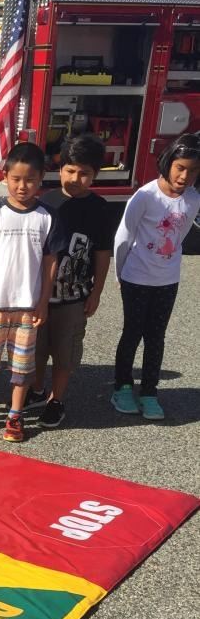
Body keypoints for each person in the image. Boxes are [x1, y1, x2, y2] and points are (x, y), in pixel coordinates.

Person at [0, 142, 63, 443]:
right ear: (4, 176)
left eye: (30, 179)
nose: (22, 186)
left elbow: (50, 263)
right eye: (16, 178)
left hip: (27, 308)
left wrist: (43, 302)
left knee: (22, 368)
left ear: (41, 178)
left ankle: (15, 415)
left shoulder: (47, 216)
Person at [23, 136, 114, 429]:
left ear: (95, 174)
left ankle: (56, 399)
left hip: (74, 297)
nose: (76, 178)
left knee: (65, 352)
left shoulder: (100, 208)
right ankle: (36, 390)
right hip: (39, 296)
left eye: (84, 172)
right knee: (35, 348)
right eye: (70, 170)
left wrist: (96, 292)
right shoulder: (44, 202)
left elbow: (102, 254)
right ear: (59, 169)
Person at [111, 132, 200, 420]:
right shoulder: (145, 196)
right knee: (132, 333)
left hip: (167, 280)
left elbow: (181, 235)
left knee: (156, 337)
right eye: (181, 167)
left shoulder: (193, 200)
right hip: (136, 277)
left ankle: (149, 391)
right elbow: (125, 234)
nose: (186, 176)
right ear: (168, 163)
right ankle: (122, 387)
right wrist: (120, 273)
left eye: (194, 170)